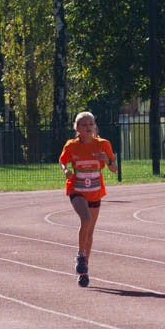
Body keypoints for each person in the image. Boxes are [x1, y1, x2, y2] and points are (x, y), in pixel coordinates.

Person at [59, 111, 116, 287]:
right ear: (77, 128)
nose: (88, 127)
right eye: (84, 124)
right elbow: (63, 161)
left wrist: (107, 160)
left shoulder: (103, 144)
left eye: (91, 124)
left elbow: (114, 169)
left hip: (95, 191)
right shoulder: (71, 145)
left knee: (90, 231)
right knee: (86, 219)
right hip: (77, 189)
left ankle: (84, 271)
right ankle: (80, 255)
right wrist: (65, 170)